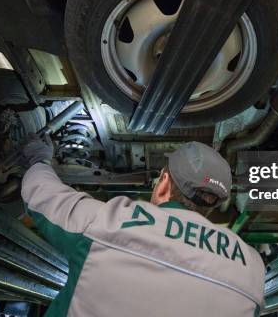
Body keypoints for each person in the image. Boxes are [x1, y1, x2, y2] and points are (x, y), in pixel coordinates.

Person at [21, 134, 265, 316]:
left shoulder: (109, 222)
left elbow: (40, 195)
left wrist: (40, 158)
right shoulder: (252, 267)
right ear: (212, 205)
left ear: (163, 183)